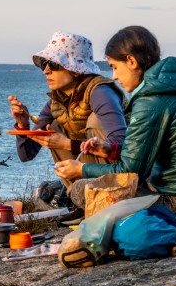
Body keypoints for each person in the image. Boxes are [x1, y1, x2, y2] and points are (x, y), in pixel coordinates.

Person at [54, 26, 176, 226]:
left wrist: (82, 169)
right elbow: (151, 152)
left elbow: (130, 172)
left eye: (114, 67)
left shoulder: (151, 100)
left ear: (131, 61)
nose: (114, 76)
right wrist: (111, 149)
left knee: (80, 189)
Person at [8, 31, 127, 207]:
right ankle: (81, 201)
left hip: (122, 177)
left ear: (76, 69)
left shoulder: (100, 92)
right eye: (44, 64)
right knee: (55, 126)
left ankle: (110, 197)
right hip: (88, 180)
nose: (46, 70)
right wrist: (22, 124)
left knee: (94, 120)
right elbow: (27, 155)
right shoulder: (56, 102)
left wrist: (66, 144)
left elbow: (123, 146)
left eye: (54, 64)